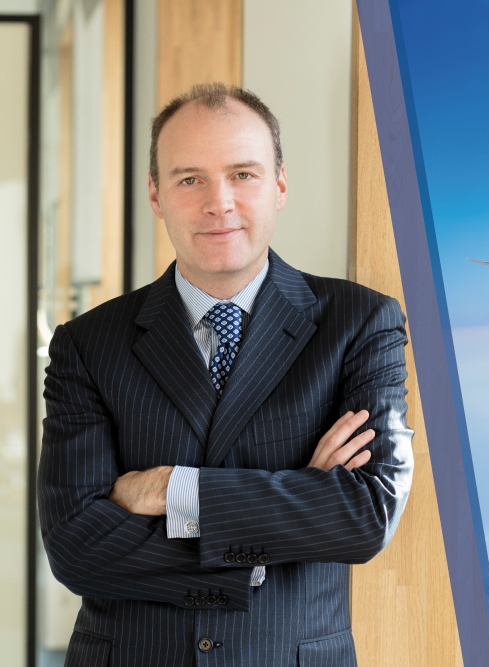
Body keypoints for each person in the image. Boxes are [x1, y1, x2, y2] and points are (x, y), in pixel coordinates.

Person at [37, 83, 413, 666]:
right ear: (156, 195)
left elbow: (366, 514)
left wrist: (172, 490)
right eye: (190, 179)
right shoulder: (87, 345)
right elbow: (76, 549)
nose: (219, 202)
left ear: (279, 185)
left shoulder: (361, 324)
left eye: (243, 174)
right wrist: (296, 505)